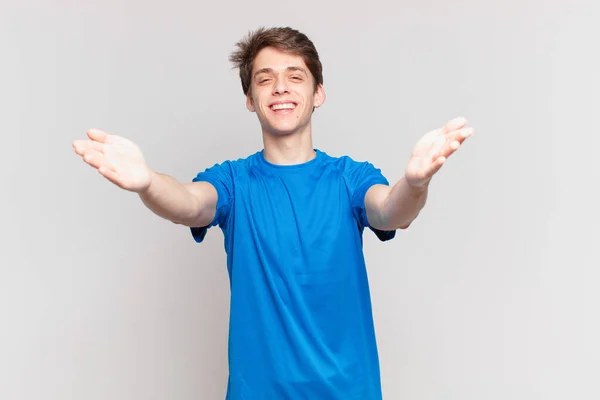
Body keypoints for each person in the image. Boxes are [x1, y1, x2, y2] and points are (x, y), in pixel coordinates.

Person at [72, 26, 474, 400]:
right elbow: (189, 203)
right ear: (250, 99)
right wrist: (147, 183)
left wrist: (416, 184)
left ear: (318, 93)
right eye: (265, 79)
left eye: (295, 76)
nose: (280, 87)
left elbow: (389, 210)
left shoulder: (349, 178)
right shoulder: (232, 181)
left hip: (348, 390)